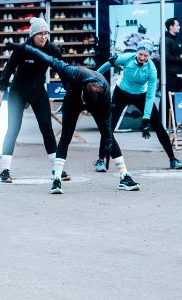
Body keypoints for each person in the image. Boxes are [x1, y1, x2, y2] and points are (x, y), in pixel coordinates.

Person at [19, 45, 140, 194]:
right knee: (66, 137)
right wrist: (27, 47)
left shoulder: (104, 94)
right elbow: (49, 59)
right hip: (73, 99)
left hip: (97, 104)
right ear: (83, 90)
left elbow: (107, 123)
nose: (85, 107)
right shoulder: (72, 72)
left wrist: (108, 138)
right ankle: (56, 180)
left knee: (108, 136)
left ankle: (125, 177)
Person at [0, 17, 62, 183]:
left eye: (46, 33)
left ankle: (56, 169)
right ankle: (4, 170)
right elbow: (8, 69)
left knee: (47, 128)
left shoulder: (52, 49)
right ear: (33, 35)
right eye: (40, 34)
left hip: (38, 91)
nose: (44, 37)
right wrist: (1, 93)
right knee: (13, 129)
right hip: (18, 91)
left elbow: (62, 69)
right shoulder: (22, 49)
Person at [96, 46, 182, 170]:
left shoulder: (151, 69)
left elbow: (150, 96)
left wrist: (146, 117)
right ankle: (100, 160)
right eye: (140, 54)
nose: (142, 57)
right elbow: (109, 64)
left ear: (150, 56)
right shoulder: (127, 58)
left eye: (145, 55)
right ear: (137, 52)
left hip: (141, 95)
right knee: (108, 126)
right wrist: (95, 76)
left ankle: (173, 159)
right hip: (121, 93)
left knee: (158, 125)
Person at [163, 17, 182, 97]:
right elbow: (166, 57)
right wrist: (180, 58)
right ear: (171, 27)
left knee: (174, 98)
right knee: (168, 98)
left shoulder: (174, 40)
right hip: (170, 75)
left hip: (176, 73)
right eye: (177, 25)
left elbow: (176, 54)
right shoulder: (166, 40)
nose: (179, 27)